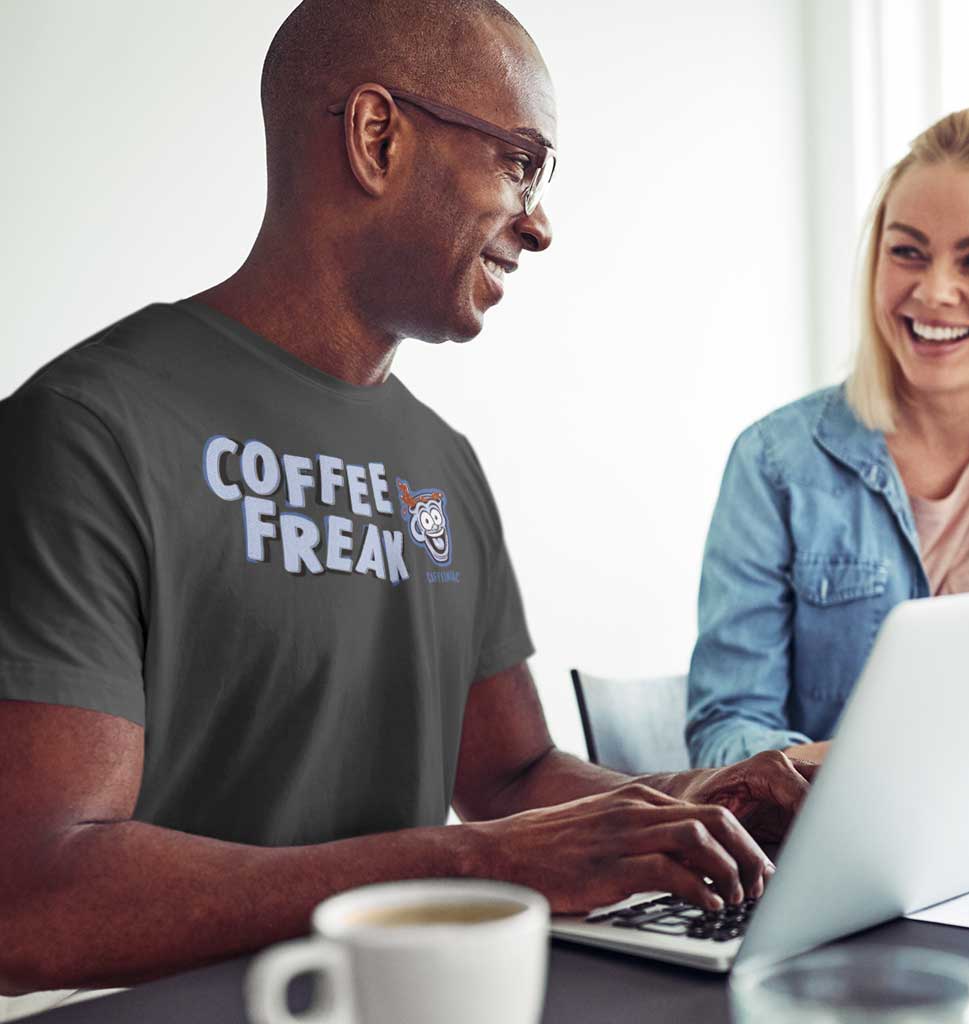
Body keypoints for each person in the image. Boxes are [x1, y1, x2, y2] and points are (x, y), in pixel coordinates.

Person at [0, 0, 814, 998]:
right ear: (376, 137)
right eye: (520, 160)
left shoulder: (439, 461)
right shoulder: (87, 430)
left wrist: (706, 803)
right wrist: (475, 863)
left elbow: (510, 779)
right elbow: (34, 895)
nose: (541, 222)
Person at [687, 102, 969, 768]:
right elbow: (727, 731)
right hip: (844, 857)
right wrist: (876, 774)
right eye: (907, 252)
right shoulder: (775, 464)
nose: (933, 292)